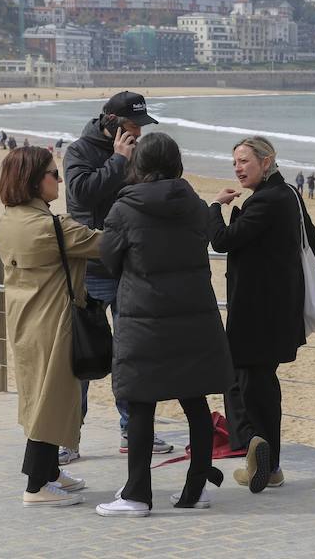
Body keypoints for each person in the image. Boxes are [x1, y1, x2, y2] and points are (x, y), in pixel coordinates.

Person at [95, 133, 234, 517]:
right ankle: (196, 488)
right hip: (194, 314)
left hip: (145, 316)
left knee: (141, 403)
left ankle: (137, 495)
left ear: (137, 165)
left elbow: (109, 258)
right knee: (195, 400)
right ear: (177, 164)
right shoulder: (194, 206)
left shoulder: (124, 208)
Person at [208, 136, 315, 494]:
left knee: (252, 385)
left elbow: (222, 240)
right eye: (235, 163)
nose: (238, 168)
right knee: (256, 384)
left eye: (244, 161)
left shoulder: (269, 200)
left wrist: (214, 206)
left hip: (259, 313)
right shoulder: (287, 194)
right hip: (275, 311)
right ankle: (264, 460)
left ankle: (265, 459)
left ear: (267, 160)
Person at [0, 146, 101, 508]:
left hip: (25, 320)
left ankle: (52, 474)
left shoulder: (10, 219)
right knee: (51, 400)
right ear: (34, 181)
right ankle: (36, 484)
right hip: (53, 323)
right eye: (53, 174)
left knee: (39, 397)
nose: (59, 179)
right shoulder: (50, 227)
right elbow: (106, 244)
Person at [63, 90, 165, 465]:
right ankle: (68, 436)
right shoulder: (79, 152)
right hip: (90, 270)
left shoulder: (136, 149)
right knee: (84, 356)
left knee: (131, 352)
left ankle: (133, 431)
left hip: (129, 265)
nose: (138, 132)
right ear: (110, 121)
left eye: (141, 125)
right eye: (132, 125)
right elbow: (82, 196)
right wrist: (119, 161)